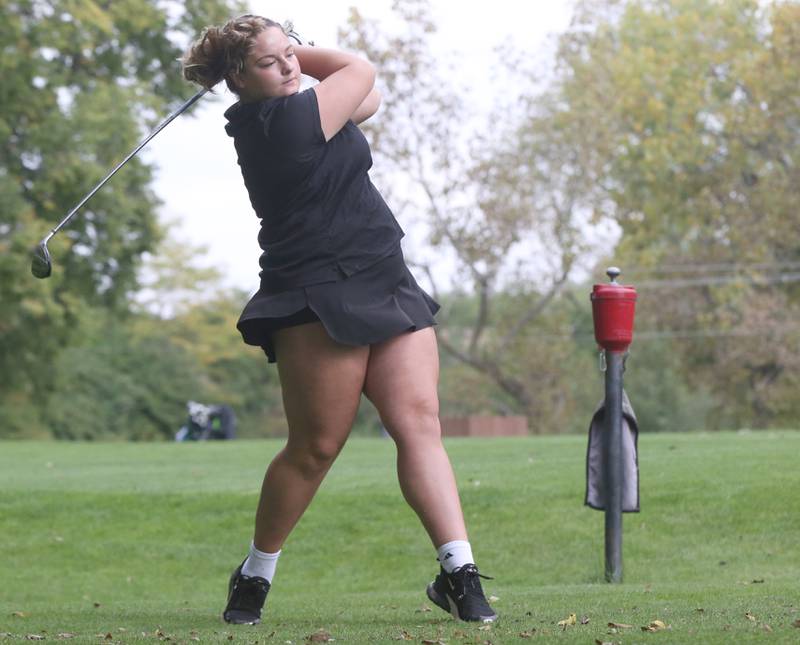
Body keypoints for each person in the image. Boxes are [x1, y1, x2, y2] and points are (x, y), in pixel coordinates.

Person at [181, 15, 497, 626]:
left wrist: (280, 50)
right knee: (316, 447)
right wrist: (297, 44)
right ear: (238, 80)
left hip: (382, 272)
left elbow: (367, 100)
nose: (290, 66)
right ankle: (256, 570)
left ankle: (458, 572)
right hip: (315, 290)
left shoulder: (306, 104)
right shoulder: (277, 123)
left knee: (419, 423)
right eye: (271, 62)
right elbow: (362, 72)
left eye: (290, 55)